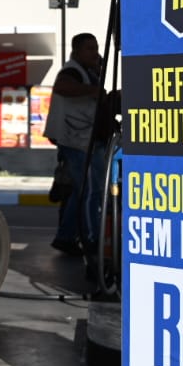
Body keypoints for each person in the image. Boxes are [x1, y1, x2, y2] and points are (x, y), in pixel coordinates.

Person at [43, 32, 113, 260]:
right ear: (76, 51)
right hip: (78, 142)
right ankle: (90, 237)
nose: (95, 53)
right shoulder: (71, 71)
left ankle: (66, 236)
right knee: (91, 191)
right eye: (89, 49)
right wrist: (93, 90)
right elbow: (63, 87)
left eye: (96, 48)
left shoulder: (89, 72)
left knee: (79, 192)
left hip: (87, 140)